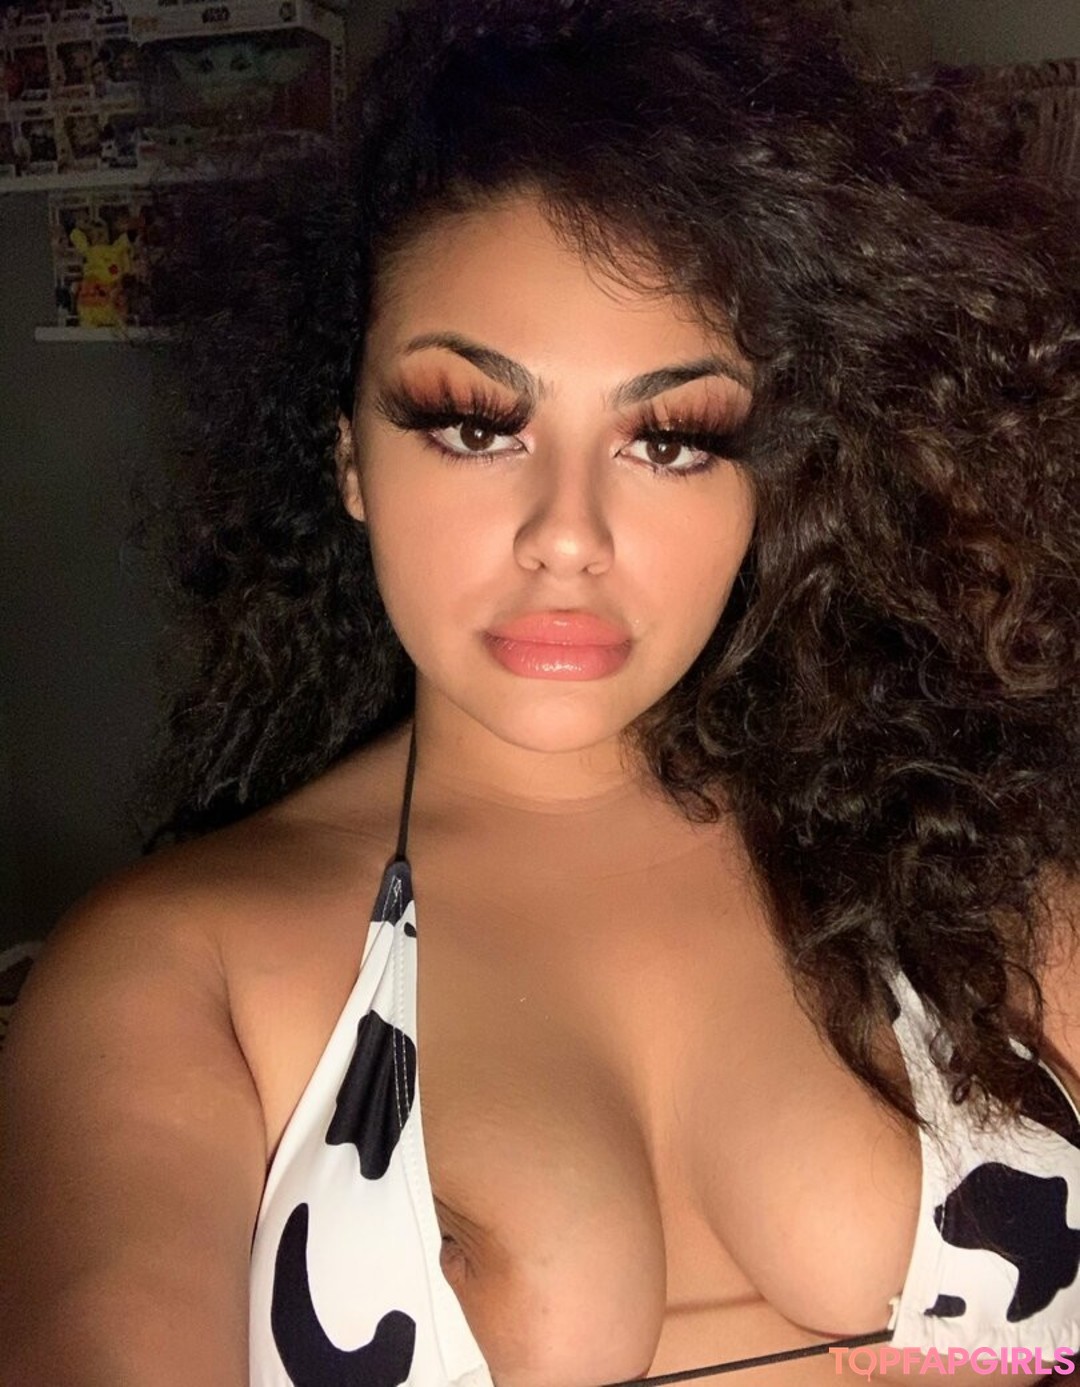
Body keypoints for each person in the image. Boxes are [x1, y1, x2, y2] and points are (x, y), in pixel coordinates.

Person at [2, 1, 1080, 1383]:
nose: (567, 535)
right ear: (350, 460)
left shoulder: (974, 873)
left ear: (776, 479)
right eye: (474, 425)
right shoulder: (178, 974)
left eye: (671, 440)